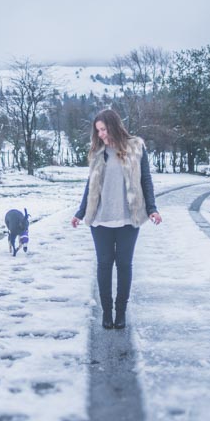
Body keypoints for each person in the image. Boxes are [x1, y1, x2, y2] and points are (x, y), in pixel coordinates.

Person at [71, 109, 162, 329]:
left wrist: (152, 208)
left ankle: (120, 312)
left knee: (124, 265)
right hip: (100, 219)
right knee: (104, 265)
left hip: (128, 219)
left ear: (113, 125)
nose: (100, 134)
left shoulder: (136, 147)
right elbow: (90, 185)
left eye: (103, 129)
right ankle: (106, 313)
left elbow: (146, 180)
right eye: (98, 130)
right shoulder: (97, 152)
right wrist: (80, 212)